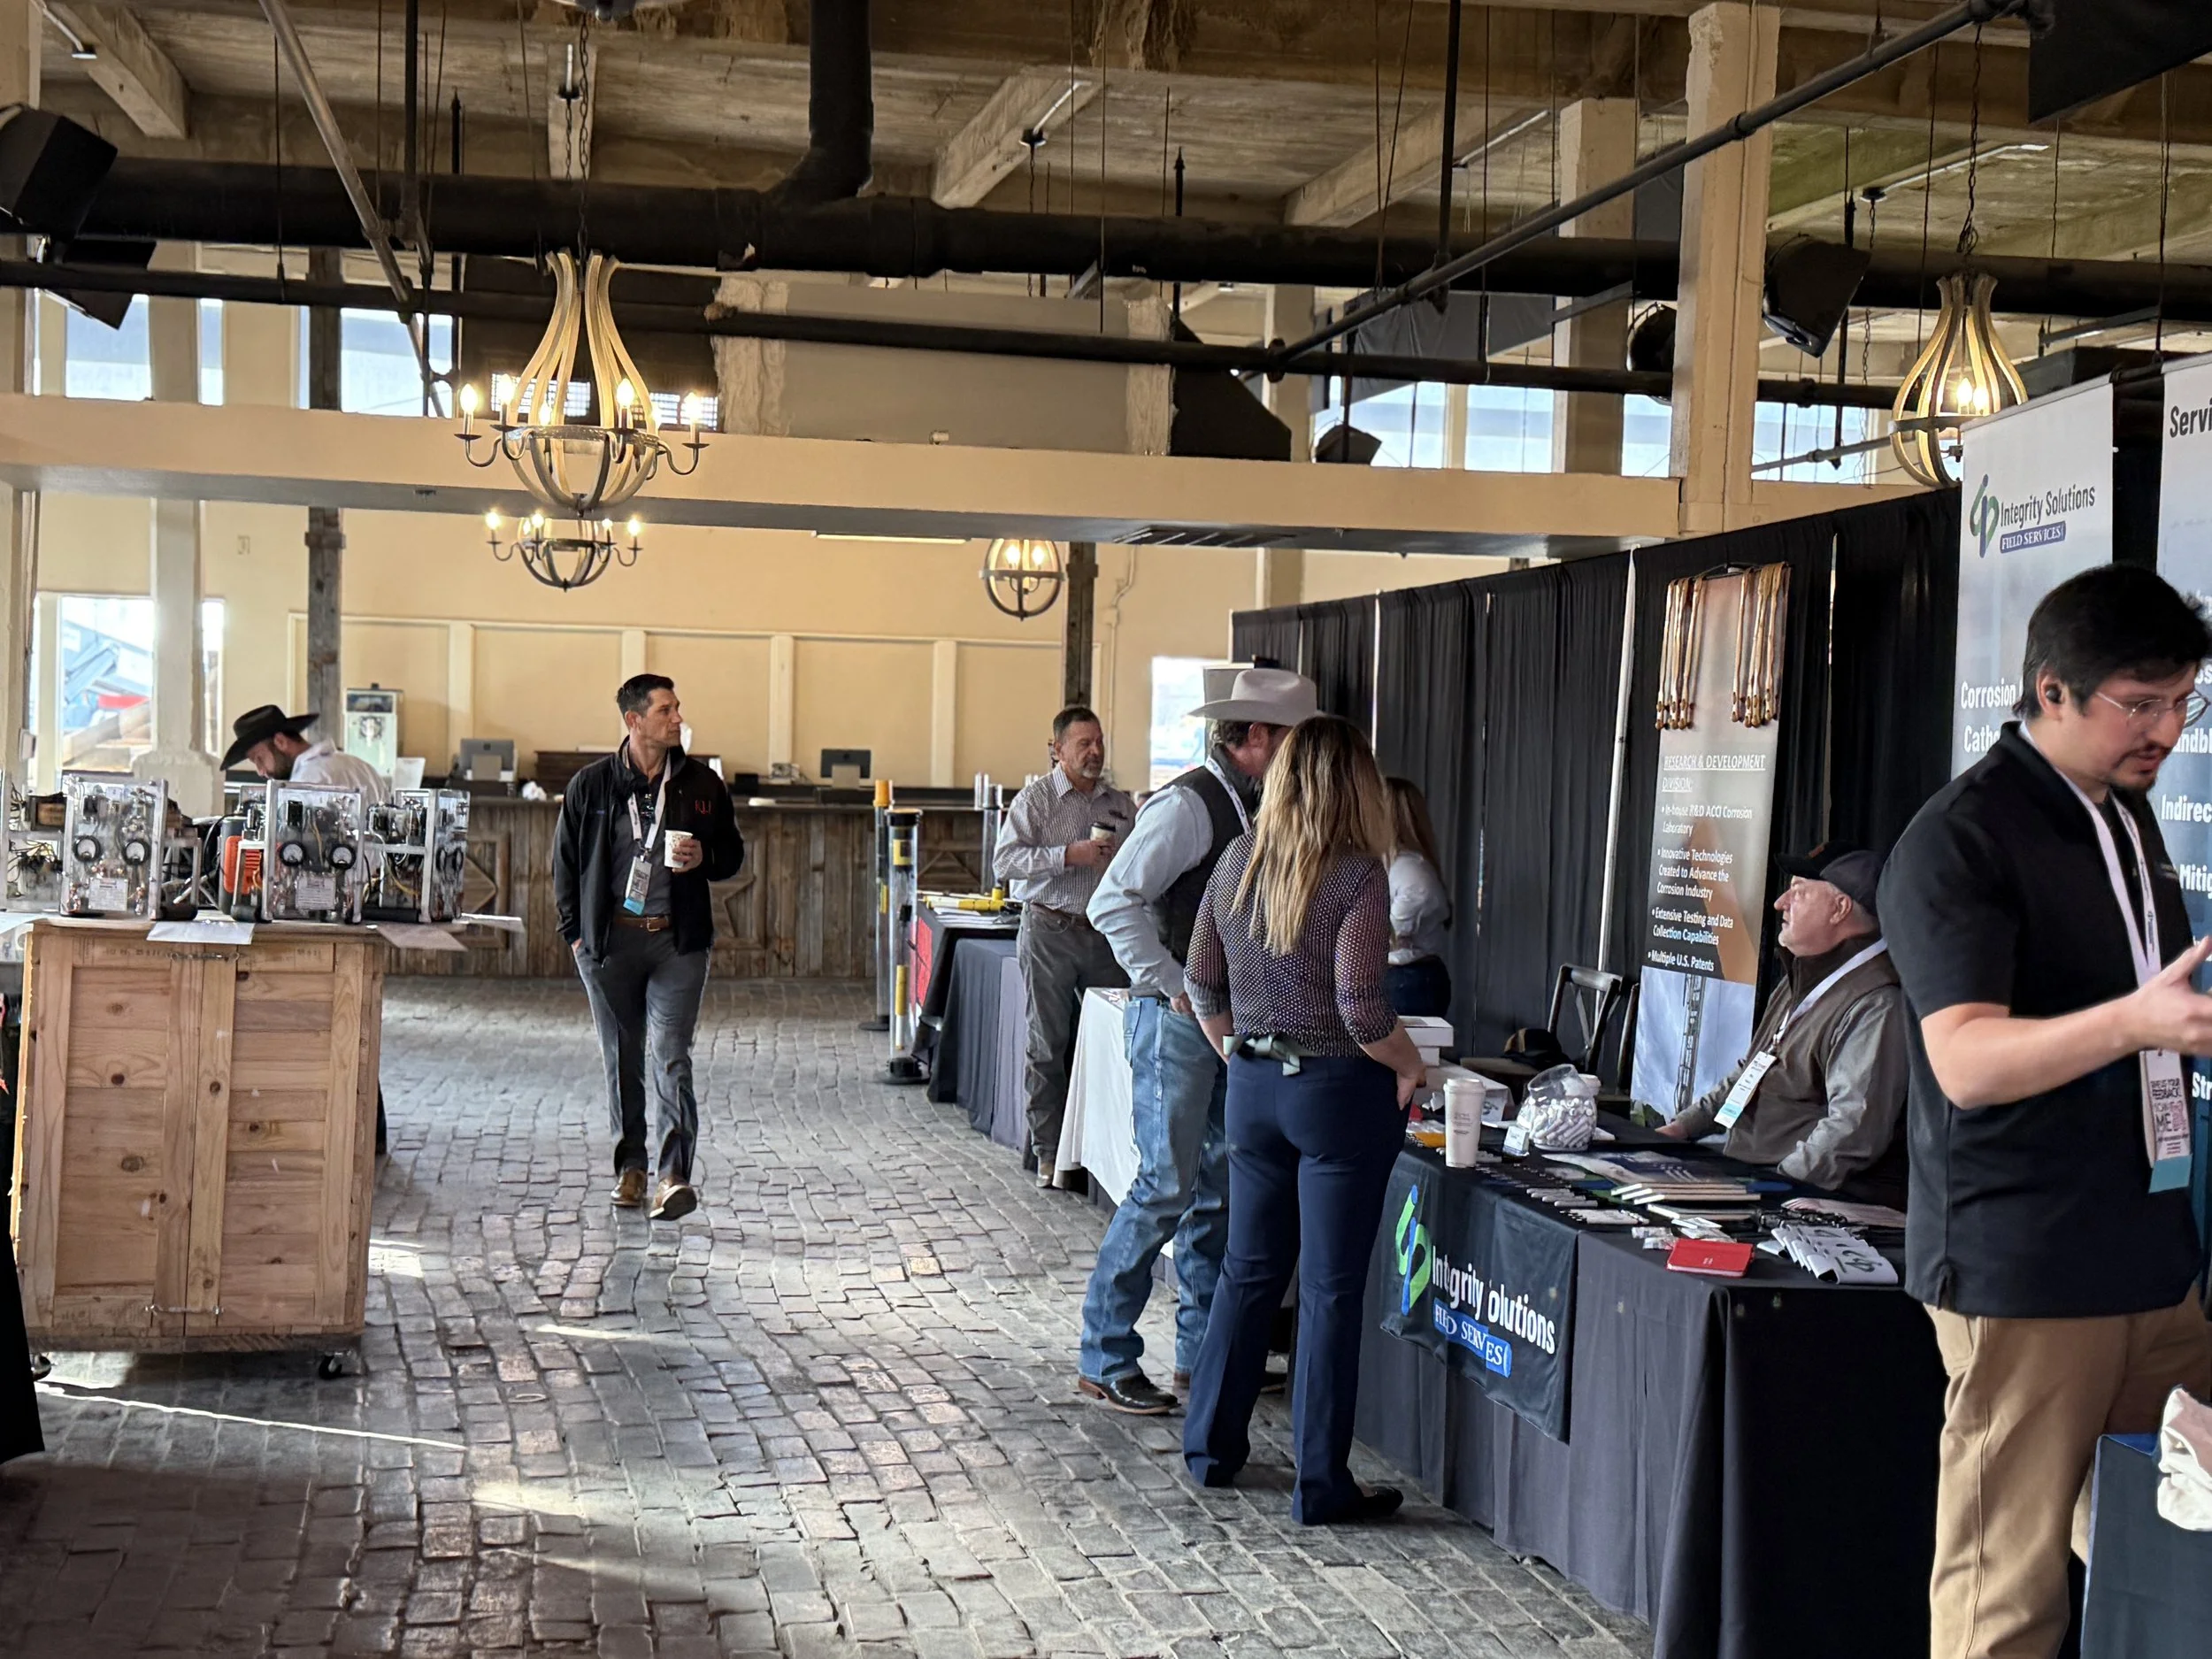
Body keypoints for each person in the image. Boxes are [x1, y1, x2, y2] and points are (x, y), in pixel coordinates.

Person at [1878, 565, 2212, 1659]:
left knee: (2153, 1544)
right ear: (2050, 691)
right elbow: (1966, 1060)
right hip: (2028, 1264)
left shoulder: (2122, 819)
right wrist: (2138, 1025)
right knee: (2004, 1588)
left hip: (2152, 1255)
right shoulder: (1960, 838)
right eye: (2139, 702)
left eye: (2182, 701)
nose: (2165, 728)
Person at [1182, 716, 1425, 1525]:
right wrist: (1409, 1063)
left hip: (1254, 1085)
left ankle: (1210, 1447)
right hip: (1335, 1096)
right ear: (1354, 783)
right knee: (1326, 1289)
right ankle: (1319, 1483)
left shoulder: (1236, 861)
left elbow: (1198, 979)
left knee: (1247, 1270)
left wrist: (1238, 1054)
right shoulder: (1359, 874)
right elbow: (1362, 1008)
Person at [1078, 665, 1318, 1415]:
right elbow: (1111, 901)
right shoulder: (1188, 805)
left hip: (1218, 1023)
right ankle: (1105, 1352)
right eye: (1290, 743)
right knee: (1165, 1188)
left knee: (1213, 1191)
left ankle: (1201, 1358)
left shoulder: (1245, 806)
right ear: (1256, 738)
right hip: (1178, 1020)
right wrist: (1176, 983)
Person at [554, 674, 745, 1222]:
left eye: (678, 708)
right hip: (609, 946)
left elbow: (732, 856)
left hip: (677, 943)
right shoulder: (591, 785)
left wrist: (703, 858)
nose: (677, 717)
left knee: (670, 1055)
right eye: (665, 710)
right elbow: (564, 865)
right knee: (622, 1058)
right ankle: (630, 1169)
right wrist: (576, 936)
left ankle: (673, 1176)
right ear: (634, 721)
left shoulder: (704, 784)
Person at [1656, 842, 1907, 1206]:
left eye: (1799, 892)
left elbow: (1852, 1129)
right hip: (1752, 1173)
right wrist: (1681, 1128)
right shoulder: (1803, 975)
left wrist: (1773, 1188)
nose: (1780, 903)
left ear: (1839, 909)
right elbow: (1753, 1069)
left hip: (1802, 1198)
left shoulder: (1876, 1003)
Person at [994, 706, 1136, 1187]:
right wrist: (1067, 856)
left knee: (1111, 1042)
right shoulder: (1035, 801)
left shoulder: (1119, 805)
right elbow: (1005, 861)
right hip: (1049, 931)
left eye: (1099, 742)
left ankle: (1103, 1153)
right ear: (1057, 750)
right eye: (1084, 744)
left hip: (1104, 934)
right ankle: (1050, 1153)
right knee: (1048, 1044)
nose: (1095, 751)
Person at [222, 703, 391, 806]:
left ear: (280, 741)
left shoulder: (305, 781)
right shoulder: (361, 766)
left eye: (259, 758)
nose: (260, 771)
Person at [1382, 777, 1451, 1017]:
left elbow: (1384, 937)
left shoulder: (1413, 873)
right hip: (1401, 980)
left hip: (1408, 983)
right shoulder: (1392, 866)